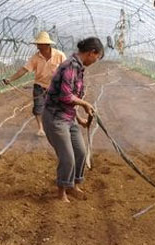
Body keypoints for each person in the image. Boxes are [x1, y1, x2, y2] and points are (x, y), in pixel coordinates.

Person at [42, 37, 104, 203]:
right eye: (97, 57)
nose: (95, 61)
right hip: (56, 118)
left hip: (69, 117)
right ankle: (62, 191)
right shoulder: (70, 66)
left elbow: (72, 98)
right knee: (67, 157)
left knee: (81, 152)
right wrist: (84, 103)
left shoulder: (78, 68)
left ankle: (73, 186)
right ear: (91, 53)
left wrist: (80, 119)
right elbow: (66, 96)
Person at [0, 31, 65, 137]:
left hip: (55, 87)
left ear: (46, 44)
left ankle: (55, 127)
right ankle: (41, 129)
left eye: (39, 44)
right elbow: (24, 70)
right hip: (39, 86)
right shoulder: (35, 58)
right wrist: (10, 79)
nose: (37, 46)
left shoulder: (59, 55)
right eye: (37, 44)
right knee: (38, 107)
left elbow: (67, 71)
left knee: (55, 107)